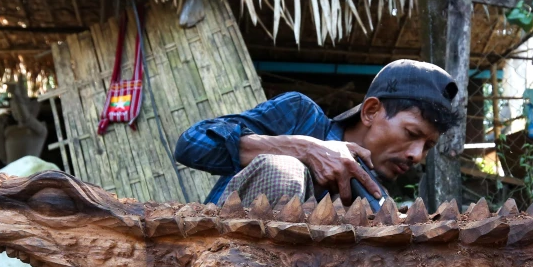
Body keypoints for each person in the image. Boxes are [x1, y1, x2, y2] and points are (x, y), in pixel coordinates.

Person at [174, 60, 462, 207]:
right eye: (412, 133)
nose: (416, 155)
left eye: (428, 147)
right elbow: (191, 144)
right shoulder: (300, 116)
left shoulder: (374, 197)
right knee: (282, 169)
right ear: (371, 111)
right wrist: (303, 149)